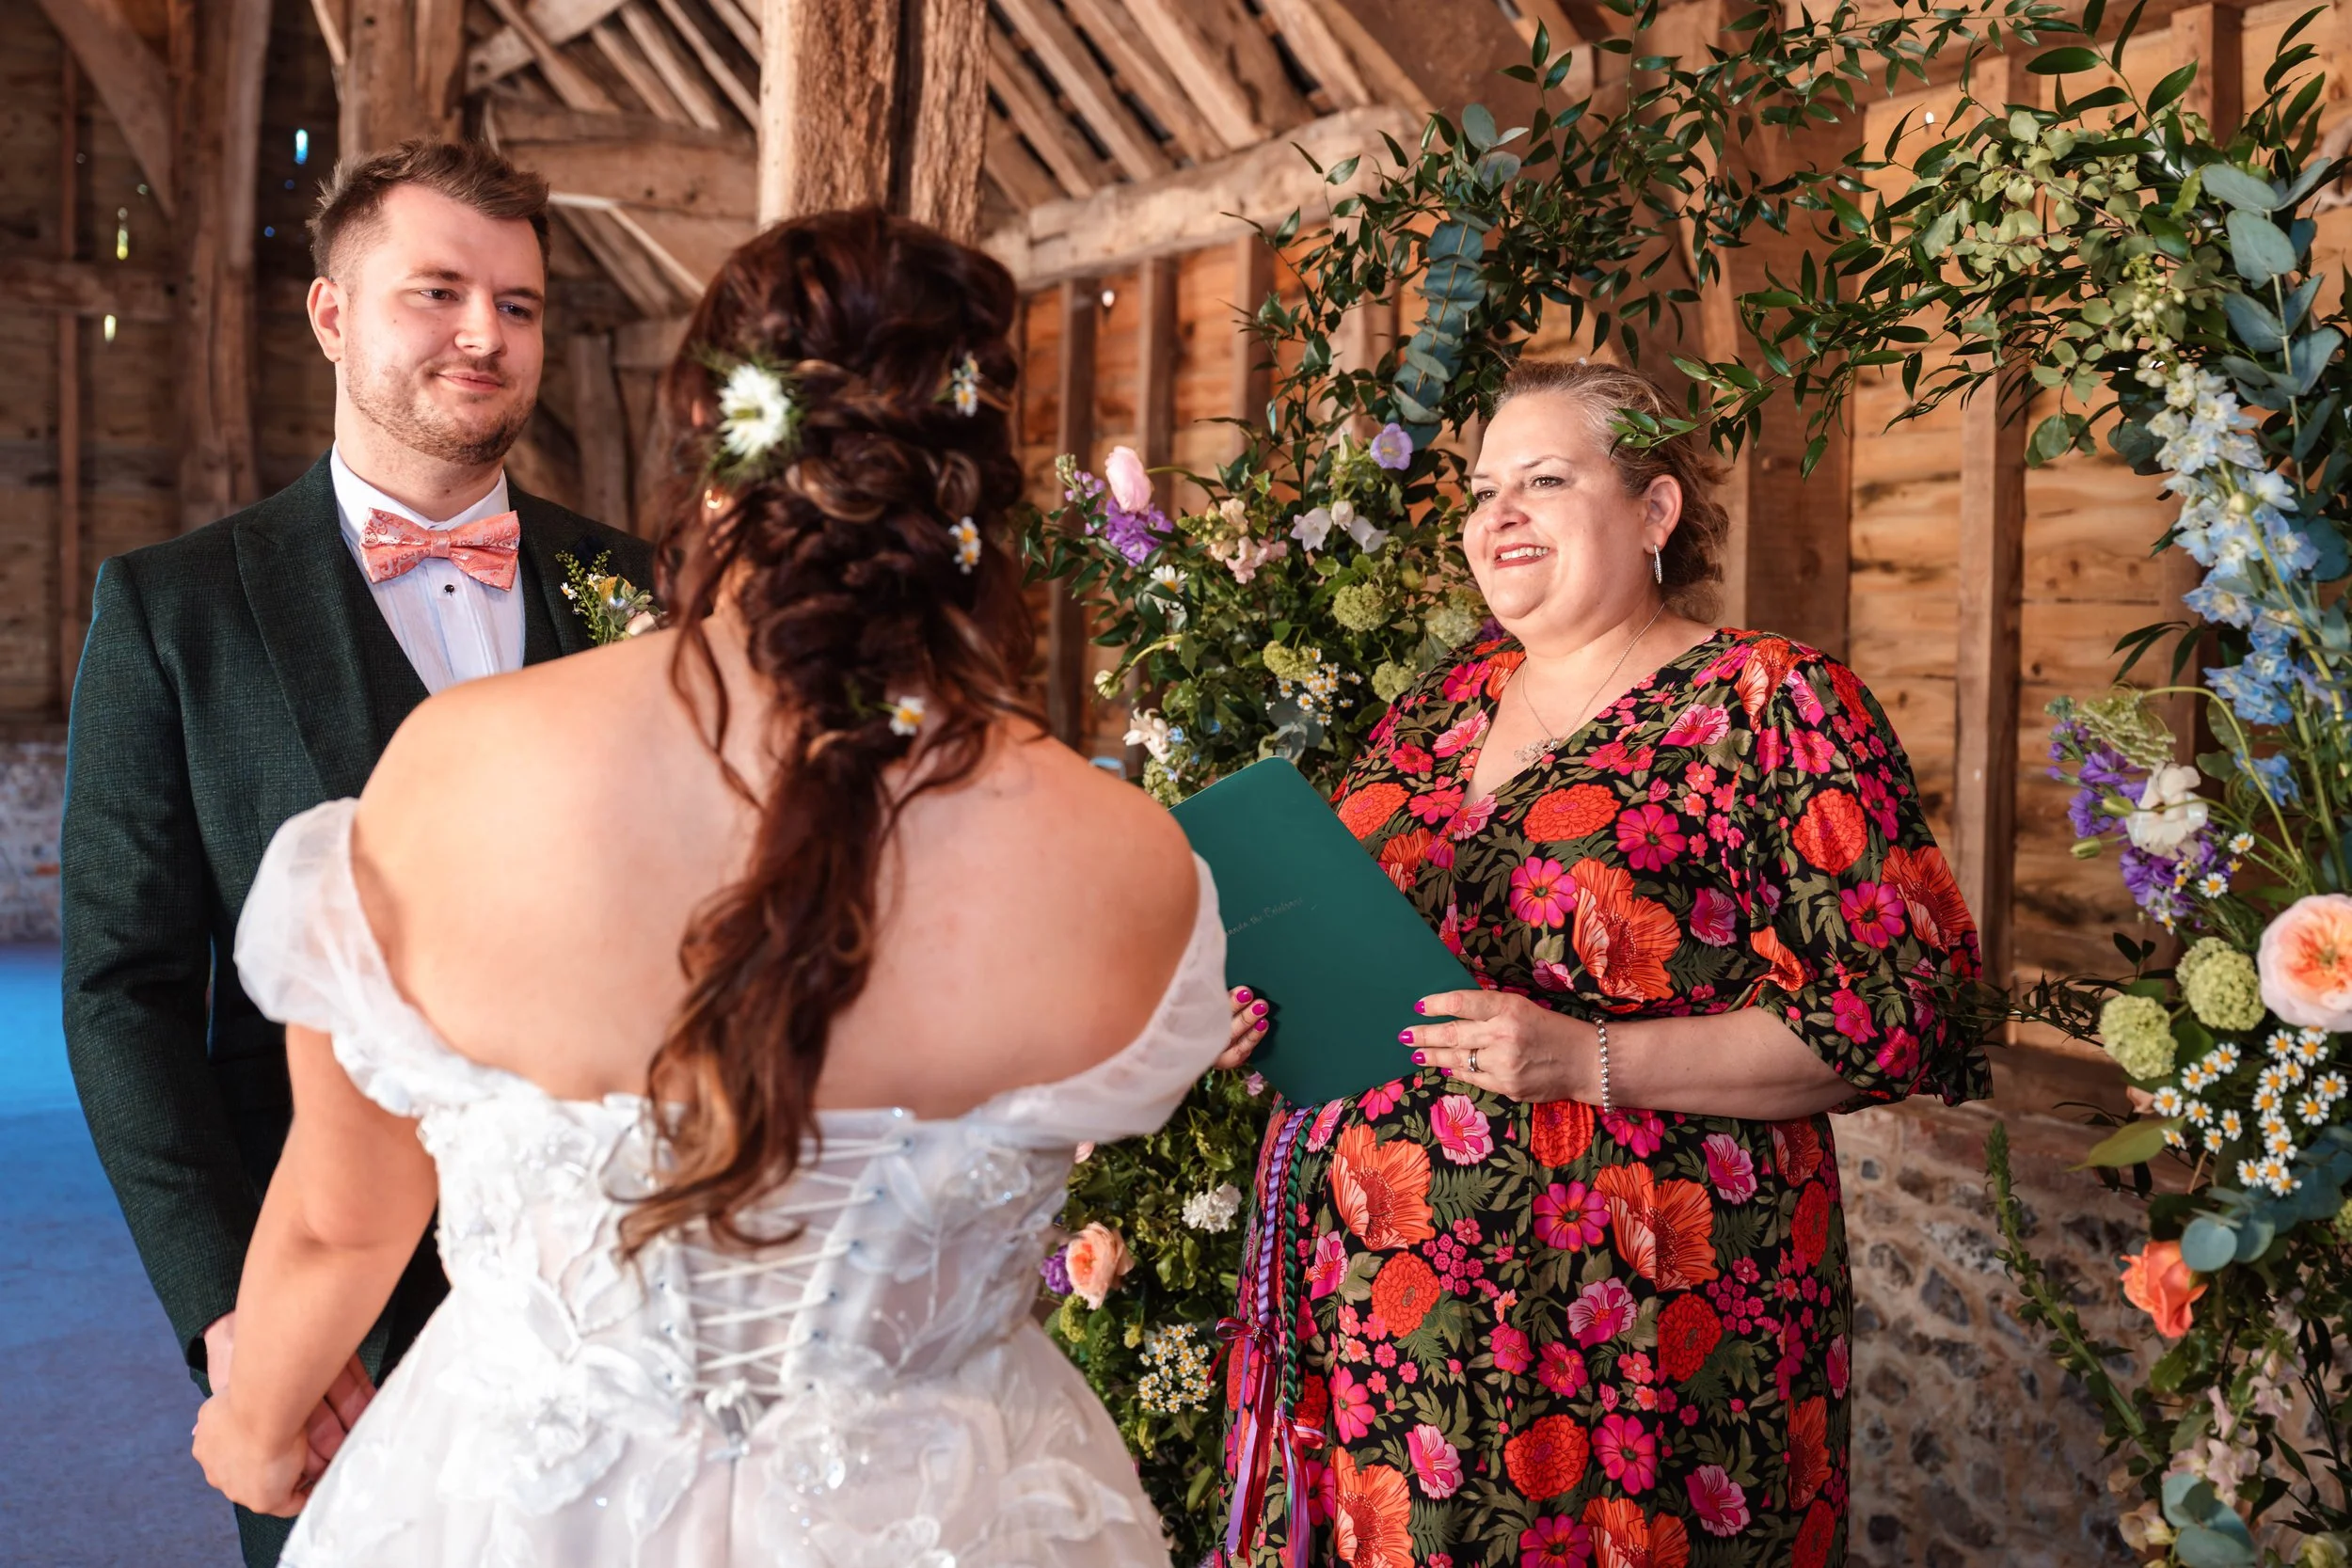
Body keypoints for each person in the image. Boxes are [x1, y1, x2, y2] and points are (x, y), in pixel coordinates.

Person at [185, 206, 1231, 1567]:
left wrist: (257, 1421)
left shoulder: (450, 769)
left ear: (711, 453)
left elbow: (341, 1213)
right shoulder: (1126, 859)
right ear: (971, 477)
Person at [1216, 358, 1990, 1567]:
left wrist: (1586, 1056)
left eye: (1543, 478)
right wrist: (1259, 1004)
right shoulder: (1435, 710)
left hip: (1631, 1341)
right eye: (1481, 490)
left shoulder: (1769, 703)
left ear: (1655, 510)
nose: (1497, 513)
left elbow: (1897, 1013)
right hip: (1385, 1334)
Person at [61, 138, 650, 1568]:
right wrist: (237, 1313)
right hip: (338, 1326)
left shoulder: (642, 590)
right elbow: (123, 986)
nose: (482, 334)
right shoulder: (172, 609)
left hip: (627, 1317)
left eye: (517, 304)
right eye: (436, 291)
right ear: (332, 315)